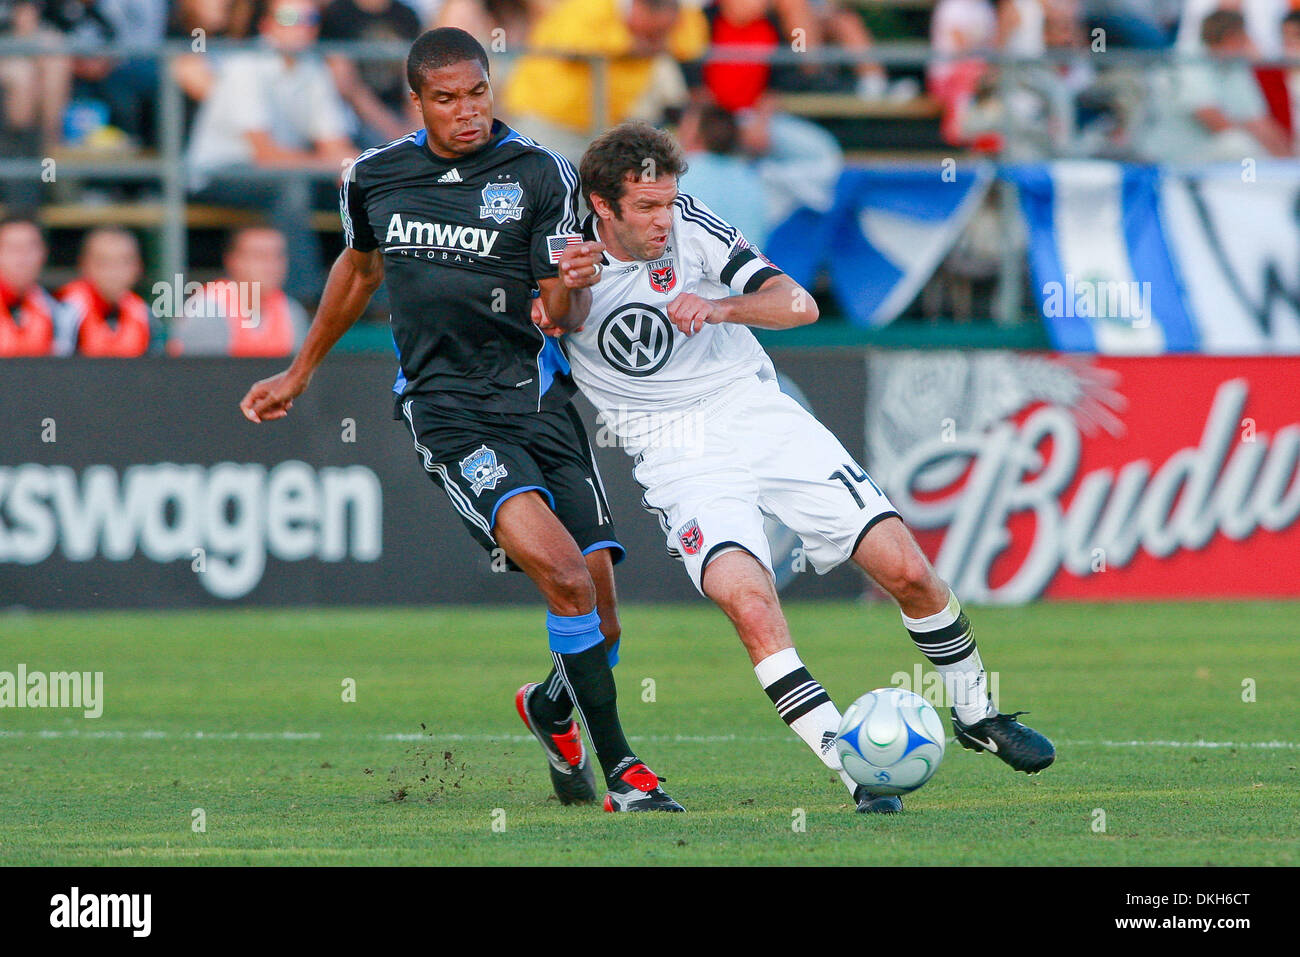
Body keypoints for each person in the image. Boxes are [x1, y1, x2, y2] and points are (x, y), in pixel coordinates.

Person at [535, 122, 1056, 814]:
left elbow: (799, 303)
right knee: (750, 602)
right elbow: (557, 317)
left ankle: (978, 713)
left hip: (758, 412)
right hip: (676, 453)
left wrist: (721, 307)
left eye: (670, 202)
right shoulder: (558, 251)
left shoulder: (693, 227)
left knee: (906, 567)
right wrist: (567, 290)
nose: (666, 219)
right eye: (648, 208)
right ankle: (857, 772)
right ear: (604, 206)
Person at [238, 29, 681, 812]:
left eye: (477, 93)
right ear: (417, 101)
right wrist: (301, 370)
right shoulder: (374, 177)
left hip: (540, 401)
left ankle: (549, 706)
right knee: (567, 579)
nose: (468, 111)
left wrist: (574, 283)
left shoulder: (538, 171)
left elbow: (560, 310)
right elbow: (359, 267)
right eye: (447, 99)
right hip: (450, 412)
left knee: (603, 622)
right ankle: (626, 774)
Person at [185, 0, 357, 301]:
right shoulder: (245, 63)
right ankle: (299, 302)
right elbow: (265, 155)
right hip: (217, 173)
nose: (302, 25)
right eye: (290, 17)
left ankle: (374, 300)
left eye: (310, 17)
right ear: (266, 24)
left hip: (281, 172)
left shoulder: (313, 66)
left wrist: (356, 168)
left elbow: (336, 146)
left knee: (364, 187)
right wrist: (335, 165)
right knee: (291, 187)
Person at [502, 0, 706, 163]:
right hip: (548, 118)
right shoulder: (592, 6)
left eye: (661, 33)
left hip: (602, 125)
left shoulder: (676, 18)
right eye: (651, 32)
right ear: (637, 7)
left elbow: (693, 43)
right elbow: (571, 44)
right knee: (543, 196)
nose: (654, 39)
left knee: (590, 202)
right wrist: (628, 43)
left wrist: (656, 40)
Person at [168, 226, 310, 357]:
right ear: (233, 261)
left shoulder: (292, 312)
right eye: (259, 256)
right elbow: (200, 378)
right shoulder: (207, 309)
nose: (271, 265)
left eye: (278, 256)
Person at [58, 226, 151, 357]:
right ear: (84, 265)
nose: (113, 272)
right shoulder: (66, 312)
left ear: (138, 267)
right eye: (103, 262)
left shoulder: (144, 314)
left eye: (123, 262)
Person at [0, 214, 71, 356]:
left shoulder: (60, 312)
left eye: (30, 247)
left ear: (44, 253)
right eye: (12, 248)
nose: (22, 257)